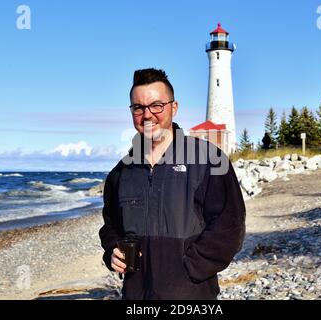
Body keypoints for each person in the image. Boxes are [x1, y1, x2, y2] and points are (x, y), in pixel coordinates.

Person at [99, 68, 246, 300]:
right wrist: (112, 251)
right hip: (136, 295)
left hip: (190, 295)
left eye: (157, 105)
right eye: (138, 108)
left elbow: (230, 226)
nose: (147, 115)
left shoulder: (209, 160)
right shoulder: (121, 173)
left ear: (174, 107)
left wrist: (190, 268)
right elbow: (111, 226)